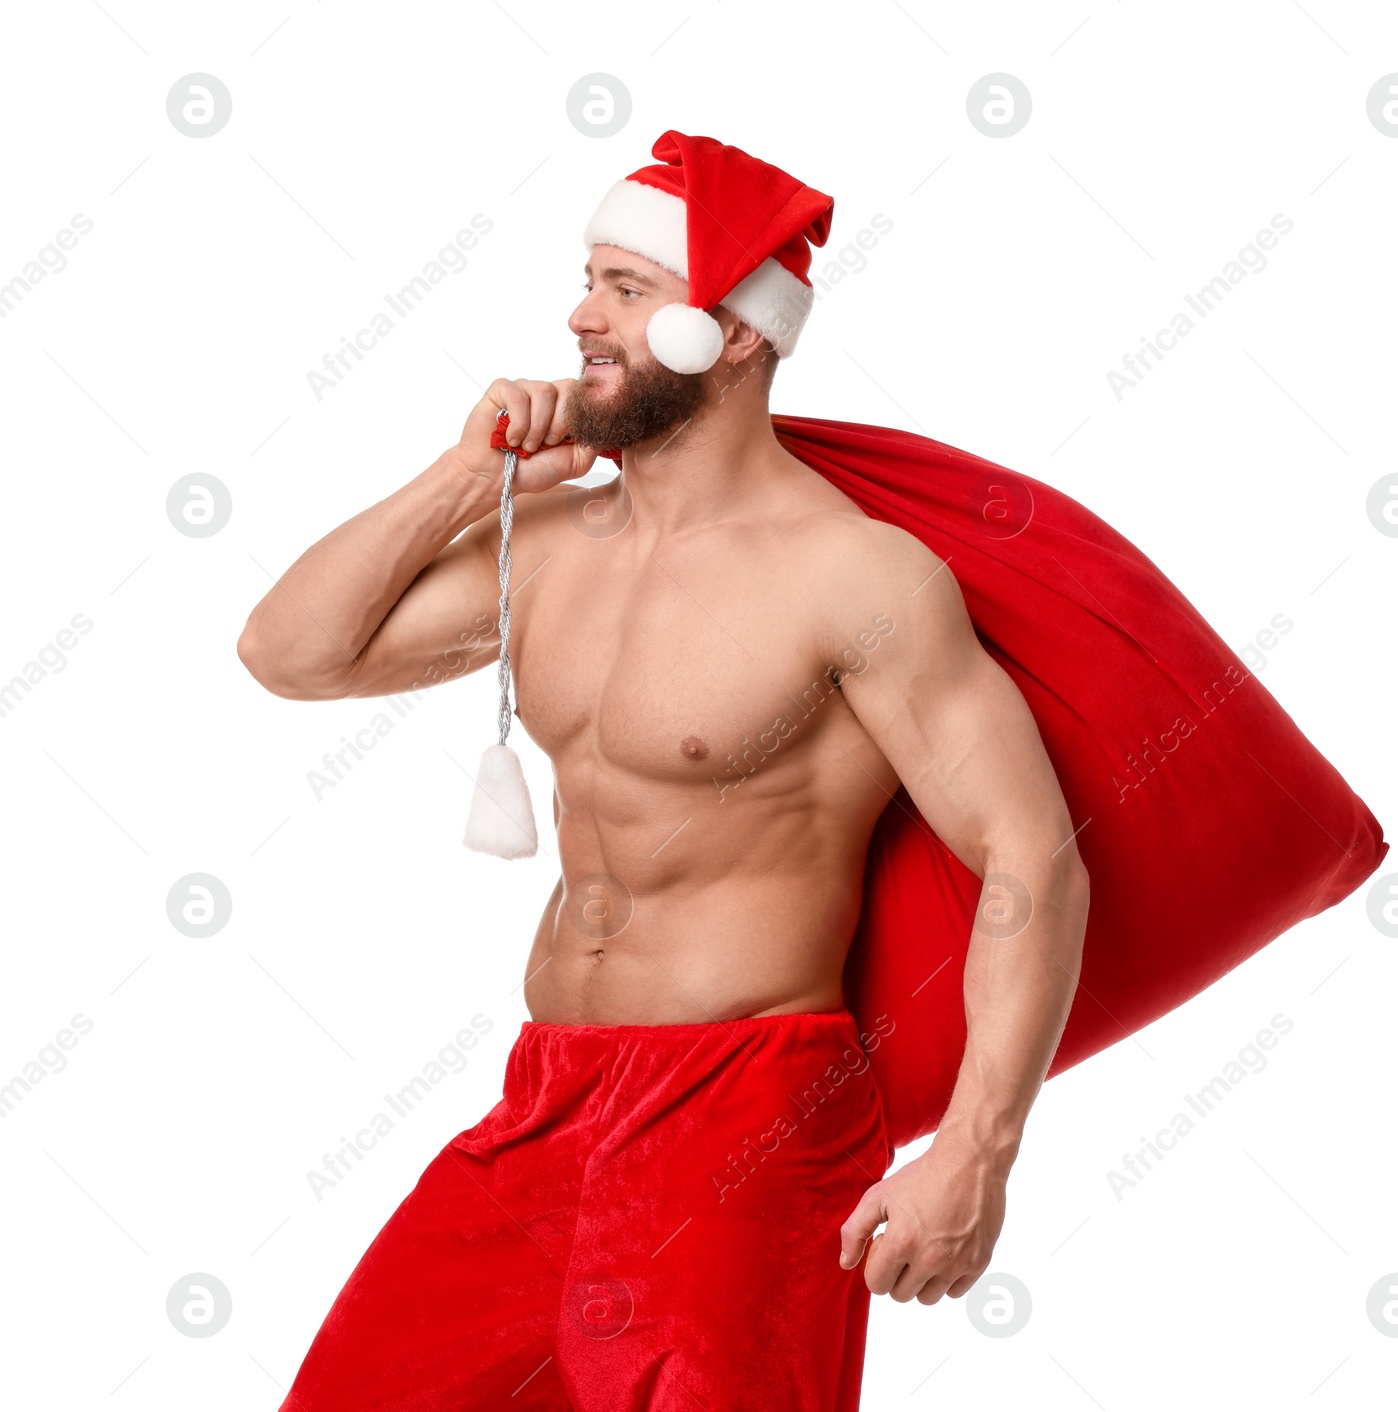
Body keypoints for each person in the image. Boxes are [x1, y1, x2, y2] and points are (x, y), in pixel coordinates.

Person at [238, 131, 1090, 1412]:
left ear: (733, 331)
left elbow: (1031, 854)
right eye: (588, 279)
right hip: (545, 1100)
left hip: (743, 1119)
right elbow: (291, 653)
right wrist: (470, 474)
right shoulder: (557, 549)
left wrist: (976, 1150)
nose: (580, 314)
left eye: (626, 289)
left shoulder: (851, 577)